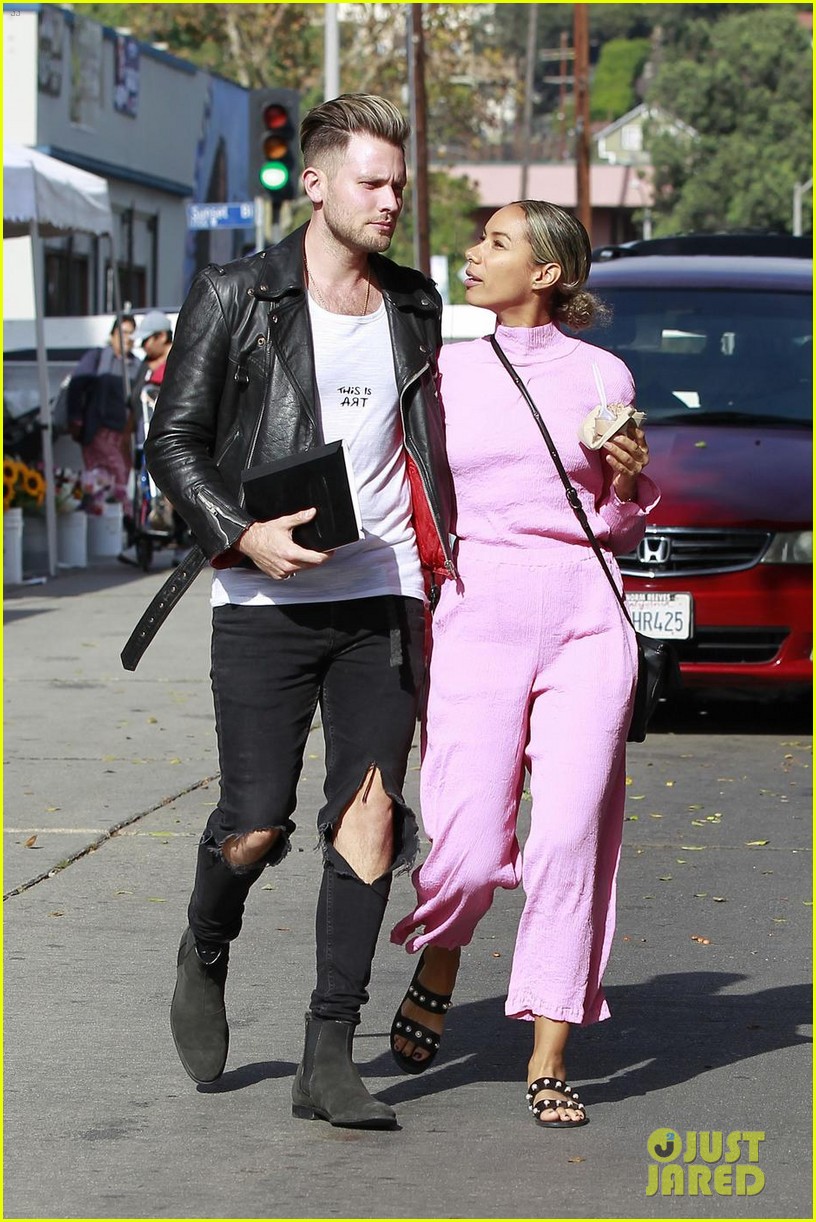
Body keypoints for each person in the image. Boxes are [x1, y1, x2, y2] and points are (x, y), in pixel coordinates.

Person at [142, 94, 455, 1130]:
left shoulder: (413, 302)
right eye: (372, 182)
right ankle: (207, 940)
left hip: (381, 594)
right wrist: (244, 532)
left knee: (369, 818)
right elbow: (173, 443)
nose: (391, 200)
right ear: (315, 184)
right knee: (254, 824)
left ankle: (329, 1053)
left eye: (399, 183)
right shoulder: (237, 295)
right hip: (262, 596)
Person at [389, 200, 659, 1128]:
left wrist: (627, 478)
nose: (473, 253)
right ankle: (443, 952)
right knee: (465, 849)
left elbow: (619, 524)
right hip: (476, 614)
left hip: (585, 616)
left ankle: (550, 1053)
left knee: (570, 837)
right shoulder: (442, 371)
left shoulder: (602, 374)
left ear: (546, 273)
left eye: (496, 243)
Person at [118, 311, 187, 565]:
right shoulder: (145, 367)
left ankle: (181, 542)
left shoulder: (180, 360)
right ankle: (140, 537)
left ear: (161, 337)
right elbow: (134, 404)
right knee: (144, 490)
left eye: (147, 340)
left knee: (174, 489)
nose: (143, 345)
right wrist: (125, 435)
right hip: (143, 436)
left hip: (173, 437)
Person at [66, 314, 139, 506]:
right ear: (113, 334)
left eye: (131, 334)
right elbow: (76, 385)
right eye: (123, 332)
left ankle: (112, 520)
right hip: (98, 433)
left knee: (115, 485)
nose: (127, 338)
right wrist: (75, 419)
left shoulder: (136, 365)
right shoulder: (97, 357)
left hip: (123, 438)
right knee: (110, 480)